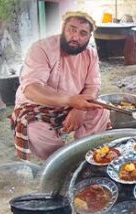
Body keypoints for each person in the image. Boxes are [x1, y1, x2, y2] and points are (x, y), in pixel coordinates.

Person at [11, 13, 109, 161]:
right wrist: (70, 101)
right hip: (38, 104)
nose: (76, 37)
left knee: (101, 111)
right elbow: (31, 88)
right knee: (34, 131)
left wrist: (79, 109)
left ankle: (84, 155)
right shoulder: (41, 48)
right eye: (72, 29)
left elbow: (92, 85)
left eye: (83, 33)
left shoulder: (90, 54)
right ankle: (61, 161)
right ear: (63, 28)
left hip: (74, 103)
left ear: (89, 37)